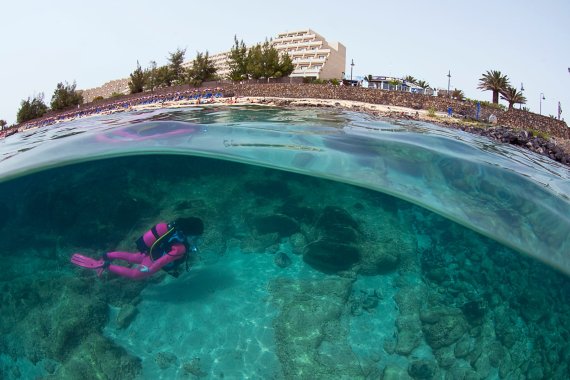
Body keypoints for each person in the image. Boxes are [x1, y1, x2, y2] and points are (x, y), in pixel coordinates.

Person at [71, 217, 204, 279]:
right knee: (135, 274)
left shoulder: (174, 230)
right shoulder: (180, 248)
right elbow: (163, 261)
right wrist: (150, 269)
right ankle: (104, 265)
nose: (196, 240)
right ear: (189, 234)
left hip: (151, 251)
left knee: (132, 257)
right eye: (195, 237)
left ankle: (107, 256)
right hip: (153, 259)